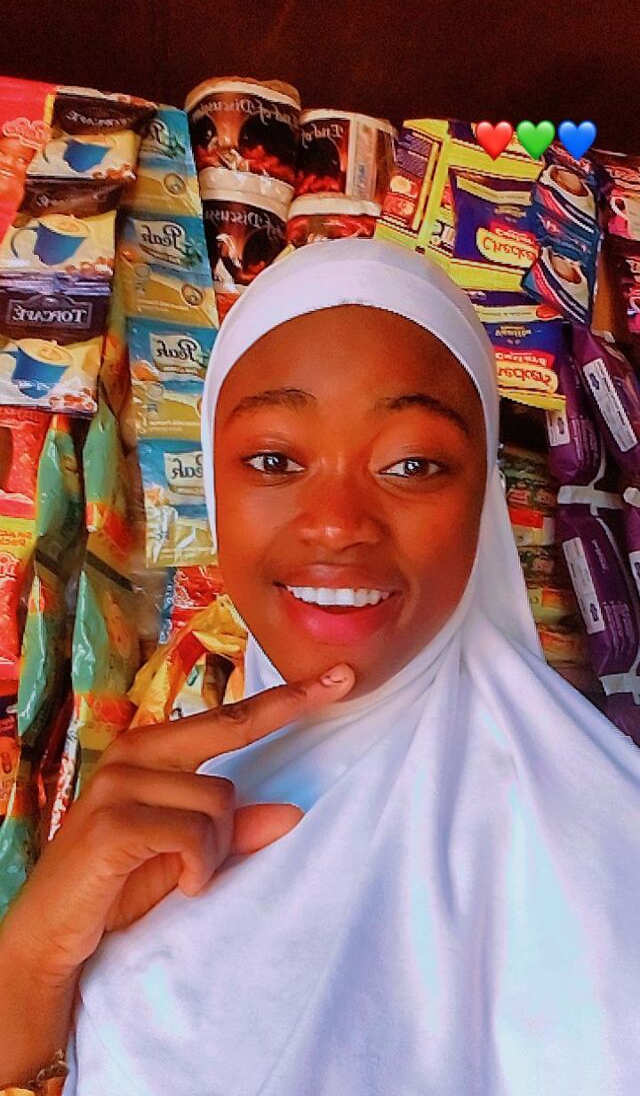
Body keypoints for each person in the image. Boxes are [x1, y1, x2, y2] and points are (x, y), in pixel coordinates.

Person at [1, 237, 639, 1095]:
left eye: (412, 464)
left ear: (480, 501)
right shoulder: (147, 809)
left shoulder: (606, 857)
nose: (337, 522)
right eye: (275, 460)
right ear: (215, 484)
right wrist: (33, 968)